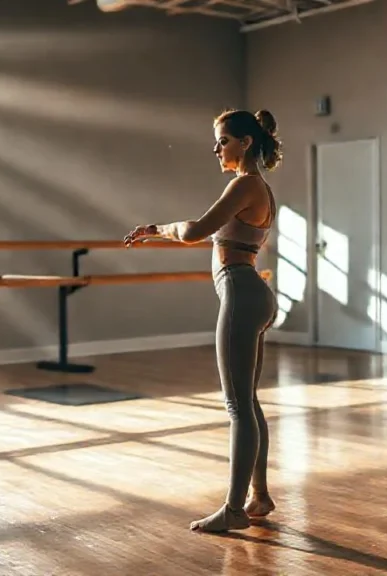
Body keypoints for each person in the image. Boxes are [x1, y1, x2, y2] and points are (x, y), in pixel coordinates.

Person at [124, 109, 282, 533]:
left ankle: (233, 509)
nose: (216, 149)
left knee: (237, 405)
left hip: (242, 293)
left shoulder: (245, 184)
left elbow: (195, 230)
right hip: (254, 294)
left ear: (246, 142)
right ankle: (259, 496)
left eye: (223, 141)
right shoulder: (260, 186)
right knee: (248, 402)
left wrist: (156, 228)